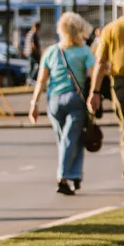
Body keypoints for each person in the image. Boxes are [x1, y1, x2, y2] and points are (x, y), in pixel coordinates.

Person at [29, 12, 94, 195]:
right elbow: (92, 76)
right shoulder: (84, 51)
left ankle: (75, 174)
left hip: (54, 100)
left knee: (66, 139)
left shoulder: (51, 51)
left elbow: (41, 80)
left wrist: (34, 103)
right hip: (75, 99)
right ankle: (63, 177)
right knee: (71, 138)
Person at [88, 0, 124, 197]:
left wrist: (95, 92)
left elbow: (100, 63)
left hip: (121, 83)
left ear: (123, 7)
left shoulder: (111, 29)